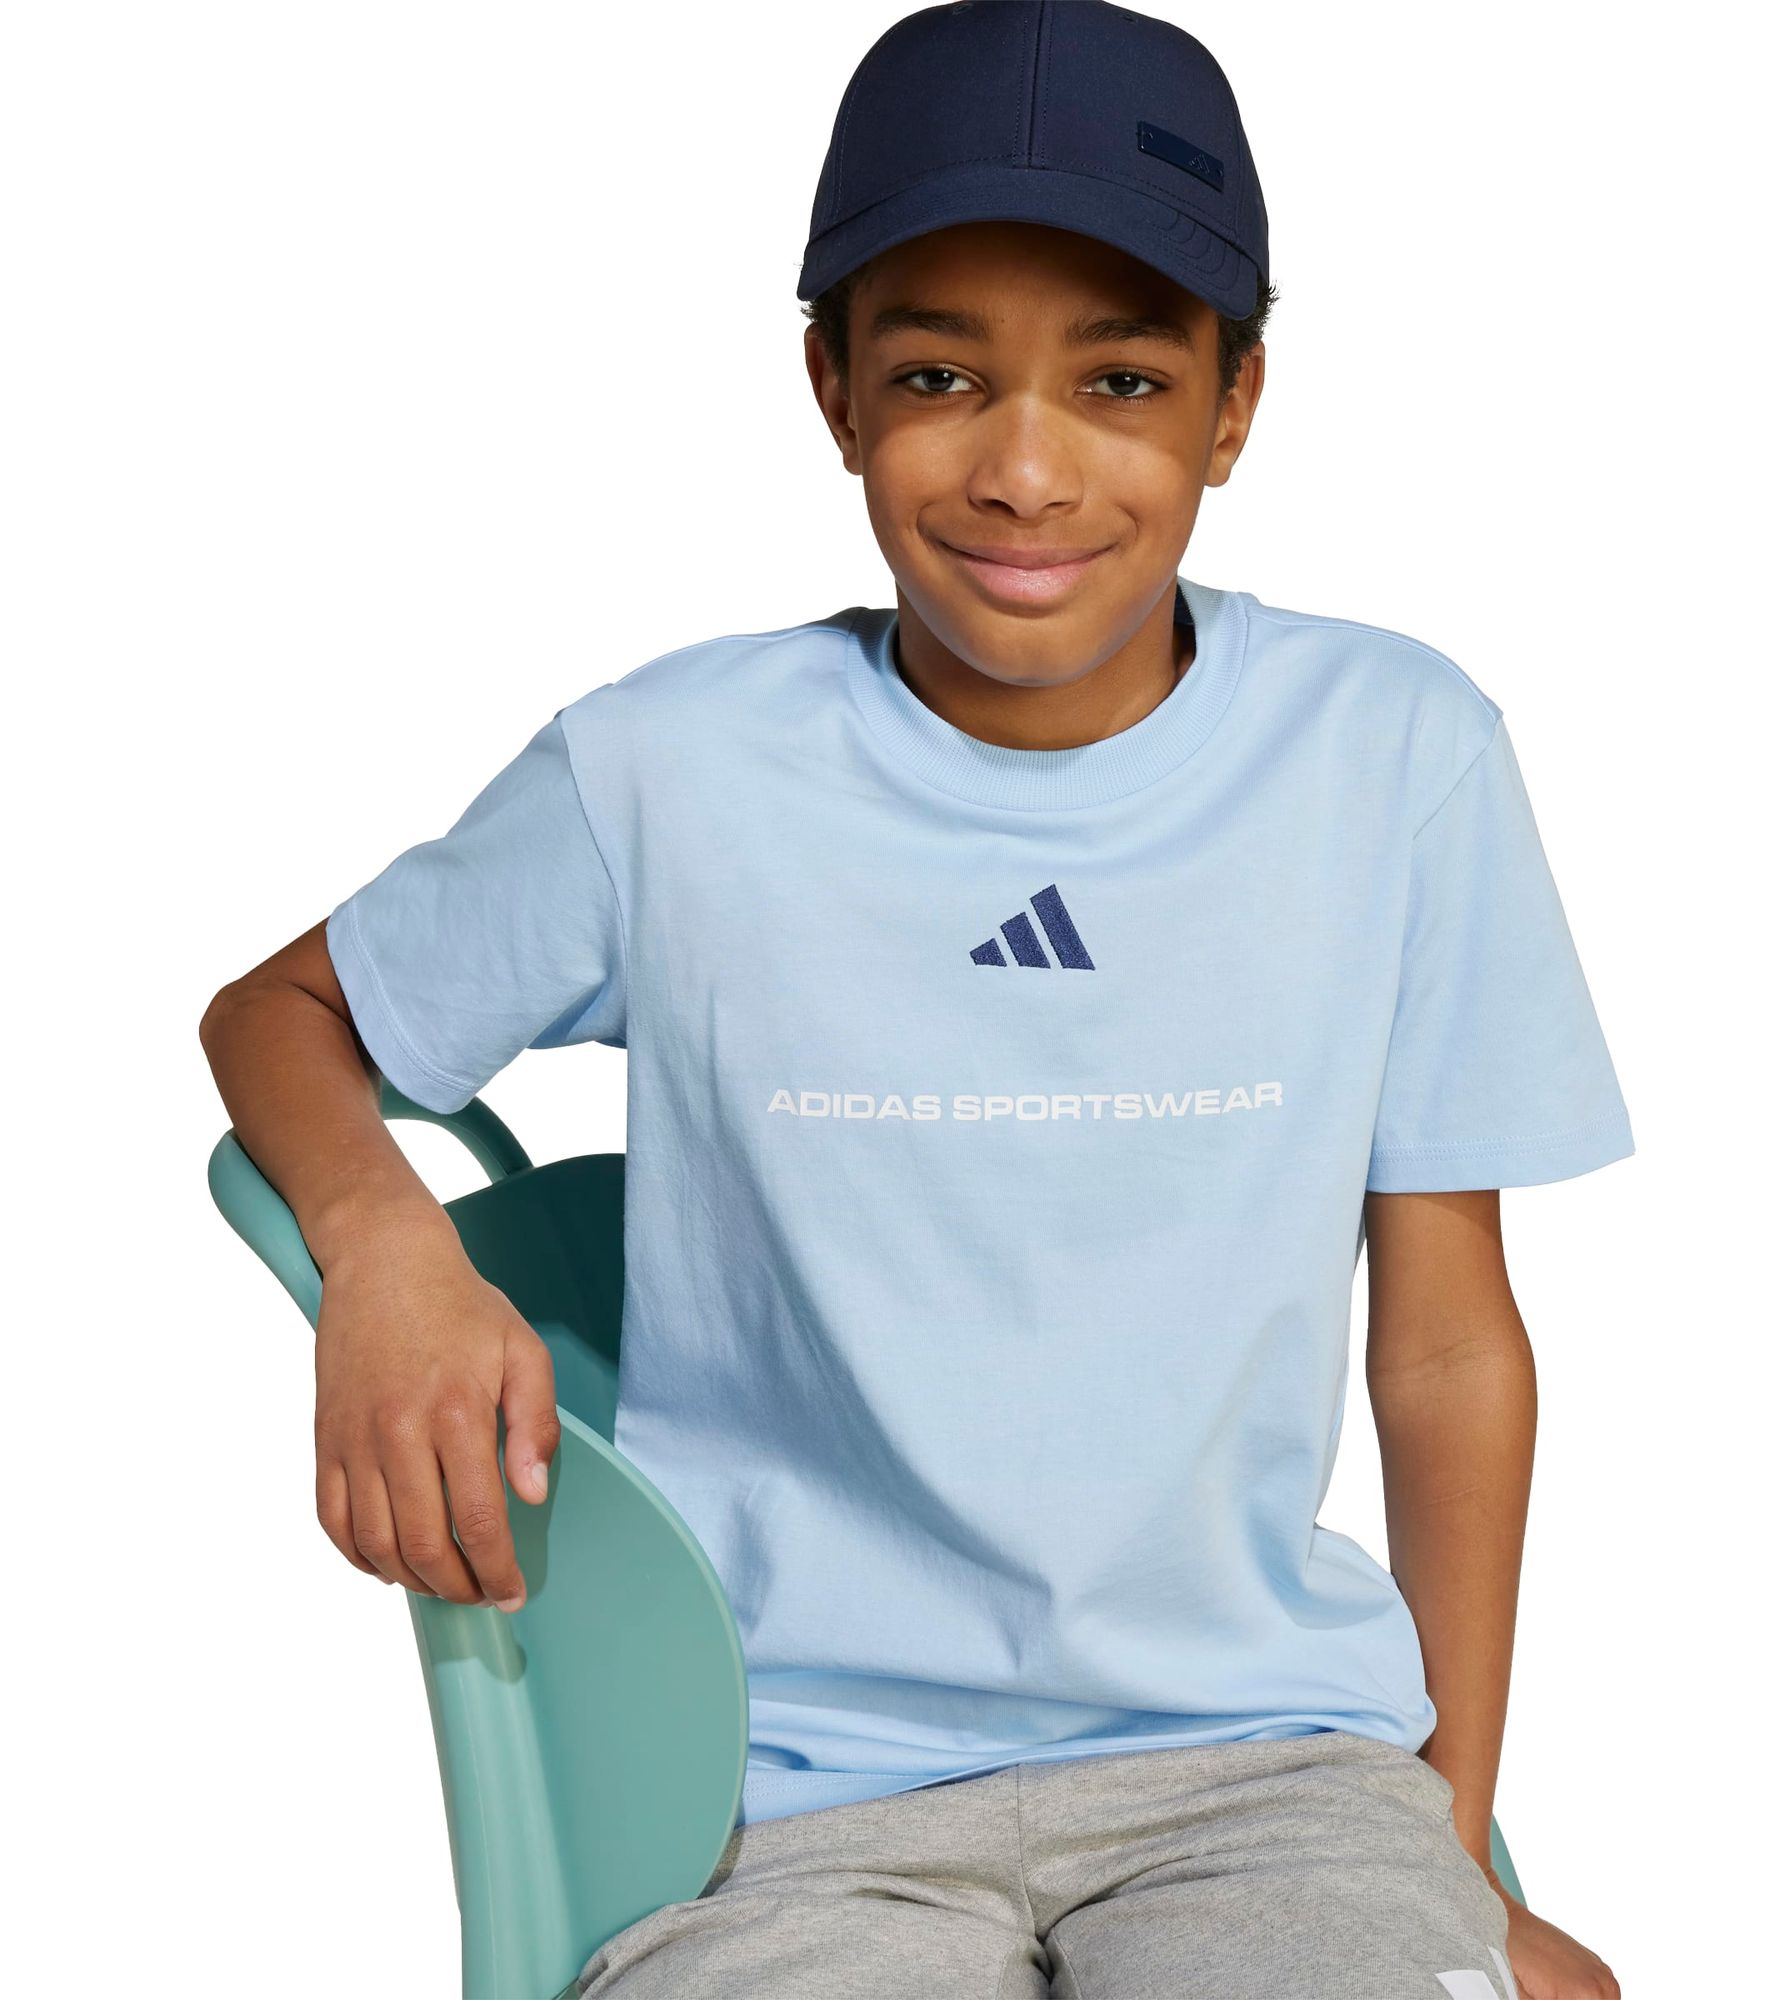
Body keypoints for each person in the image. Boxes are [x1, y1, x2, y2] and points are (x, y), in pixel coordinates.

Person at [200, 4, 1631, 1995]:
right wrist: (385, 1252)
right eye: (941, 375)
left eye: (1120, 380)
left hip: (1265, 1770)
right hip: (774, 1801)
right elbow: (282, 1011)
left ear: (1235, 405)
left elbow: (1451, 1343)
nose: (1026, 470)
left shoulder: (1394, 755)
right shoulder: (672, 772)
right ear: (835, 389)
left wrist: (1452, 1853)